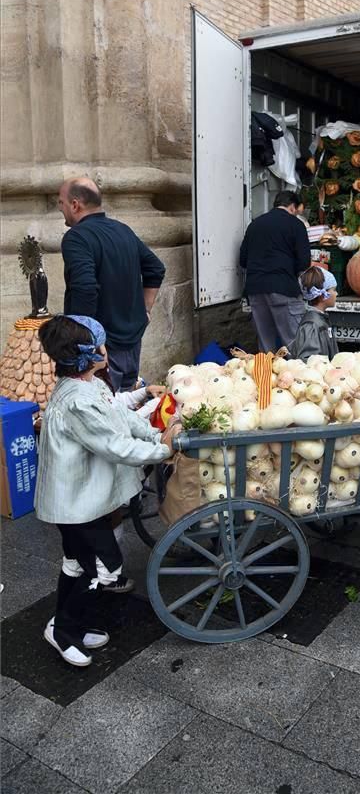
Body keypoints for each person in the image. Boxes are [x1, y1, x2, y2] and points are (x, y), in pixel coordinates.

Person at [35, 315, 180, 668]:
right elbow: (113, 445)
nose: (107, 349)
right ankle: (65, 632)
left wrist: (153, 434)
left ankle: (67, 624)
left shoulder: (90, 385)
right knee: (103, 567)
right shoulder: (77, 402)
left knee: (76, 563)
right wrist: (163, 450)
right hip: (74, 503)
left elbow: (121, 418)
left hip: (80, 500)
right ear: (89, 354)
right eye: (101, 344)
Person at [58, 178, 166, 391]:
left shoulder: (76, 237)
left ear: (75, 205)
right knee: (123, 407)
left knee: (102, 412)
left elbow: (85, 288)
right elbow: (156, 268)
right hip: (130, 340)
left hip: (102, 348)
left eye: (60, 202)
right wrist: (145, 310)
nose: (59, 208)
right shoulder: (122, 230)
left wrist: (87, 343)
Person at [239, 190, 311, 353]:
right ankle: (298, 376)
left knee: (266, 348)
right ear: (292, 207)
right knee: (295, 344)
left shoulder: (254, 224)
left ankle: (266, 377)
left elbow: (243, 259)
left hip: (255, 290)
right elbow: (304, 262)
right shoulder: (296, 224)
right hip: (283, 288)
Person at [288, 268, 339, 360]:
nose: (336, 293)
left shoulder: (321, 319)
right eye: (334, 290)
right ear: (323, 296)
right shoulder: (312, 326)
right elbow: (309, 361)